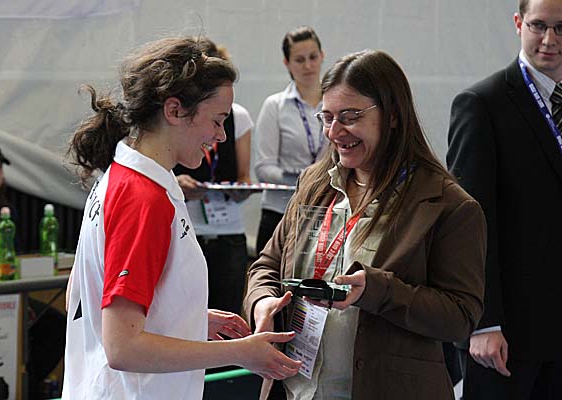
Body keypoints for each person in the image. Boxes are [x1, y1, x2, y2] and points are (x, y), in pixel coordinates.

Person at [63, 36, 300, 400]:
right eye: (217, 120)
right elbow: (123, 347)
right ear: (174, 111)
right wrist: (240, 352)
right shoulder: (144, 197)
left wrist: (188, 321)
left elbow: (85, 298)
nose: (221, 135)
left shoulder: (124, 176)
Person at [244, 49, 487, 400]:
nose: (334, 132)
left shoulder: (447, 205)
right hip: (298, 390)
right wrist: (263, 302)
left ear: (392, 115)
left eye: (350, 117)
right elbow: (266, 265)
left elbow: (460, 317)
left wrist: (378, 291)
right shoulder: (315, 183)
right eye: (327, 117)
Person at [446, 0, 562, 398]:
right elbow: (467, 225)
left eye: (561, 28)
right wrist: (483, 321)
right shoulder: (482, 103)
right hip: (506, 336)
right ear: (518, 23)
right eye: (539, 25)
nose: (549, 39)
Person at [0, 137, 66, 400]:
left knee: (56, 325)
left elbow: (14, 255)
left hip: (5, 292)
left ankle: (25, 387)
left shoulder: (5, 210)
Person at [174, 38, 253, 315]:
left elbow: (244, 176)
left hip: (228, 229)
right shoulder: (178, 116)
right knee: (187, 315)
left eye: (222, 122)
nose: (220, 134)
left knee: (227, 316)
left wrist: (242, 188)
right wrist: (175, 184)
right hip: (188, 228)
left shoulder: (238, 117)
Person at [254, 26, 326, 254]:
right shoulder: (275, 106)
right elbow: (264, 168)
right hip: (280, 212)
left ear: (322, 56)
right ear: (287, 63)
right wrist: (302, 178)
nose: (308, 66)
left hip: (324, 211)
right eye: (299, 60)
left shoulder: (336, 105)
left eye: (313, 57)